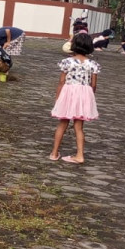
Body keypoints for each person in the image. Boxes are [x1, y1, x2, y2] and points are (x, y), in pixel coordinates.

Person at [48, 32, 100, 165]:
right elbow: (93, 85)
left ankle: (54, 153)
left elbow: (61, 81)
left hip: (68, 92)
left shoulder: (66, 62)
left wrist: (58, 97)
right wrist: (89, 96)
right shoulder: (93, 64)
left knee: (62, 123)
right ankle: (80, 155)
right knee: (79, 127)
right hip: (84, 94)